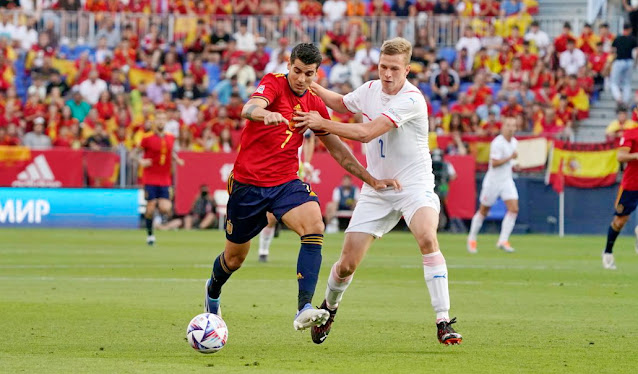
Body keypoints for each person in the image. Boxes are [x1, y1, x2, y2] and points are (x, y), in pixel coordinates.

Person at [203, 44, 399, 335]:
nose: (301, 79)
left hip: (285, 182)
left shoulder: (314, 103)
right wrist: (262, 114)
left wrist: (370, 179)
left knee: (314, 224)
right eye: (297, 71)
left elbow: (338, 150)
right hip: (248, 186)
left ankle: (304, 307)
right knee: (234, 259)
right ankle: (212, 292)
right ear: (289, 66)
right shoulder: (273, 82)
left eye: (309, 74)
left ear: (316, 73)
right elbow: (249, 107)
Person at [293, 37, 463, 345]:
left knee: (427, 235)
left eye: (394, 69)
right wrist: (309, 83)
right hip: (377, 187)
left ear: (407, 70)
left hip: (414, 185)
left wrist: (321, 123)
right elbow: (342, 104)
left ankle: (443, 321)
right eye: (383, 66)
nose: (387, 74)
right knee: (347, 264)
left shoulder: (412, 99)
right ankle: (329, 308)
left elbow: (366, 133)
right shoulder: (371, 89)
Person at [467, 117, 519, 254]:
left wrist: (515, 164)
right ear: (503, 127)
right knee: (484, 211)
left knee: (514, 209)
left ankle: (503, 240)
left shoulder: (514, 142)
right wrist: (510, 158)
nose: (511, 128)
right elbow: (495, 163)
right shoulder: (497, 143)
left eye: (513, 125)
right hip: (493, 182)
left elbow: (511, 162)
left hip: (507, 180)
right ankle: (472, 239)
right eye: (508, 125)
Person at [134, 111, 185, 245]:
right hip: (150, 177)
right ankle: (150, 236)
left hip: (164, 178)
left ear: (166, 121)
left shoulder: (171, 137)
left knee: (166, 207)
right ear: (154, 122)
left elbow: (170, 151)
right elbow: (133, 154)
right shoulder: (147, 138)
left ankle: (157, 217)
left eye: (163, 119)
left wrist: (177, 159)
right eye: (158, 119)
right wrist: (141, 161)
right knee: (150, 207)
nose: (161, 121)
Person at [603, 125, 638, 269]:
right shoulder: (632, 133)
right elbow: (620, 156)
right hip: (631, 184)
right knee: (620, 221)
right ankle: (608, 253)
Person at [610, 24, 638, 106]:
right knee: (627, 83)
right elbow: (636, 51)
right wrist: (635, 62)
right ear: (629, 29)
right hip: (629, 61)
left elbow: (612, 50)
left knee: (614, 82)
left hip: (619, 61)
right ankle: (625, 101)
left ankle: (618, 97)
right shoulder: (632, 39)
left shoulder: (618, 38)